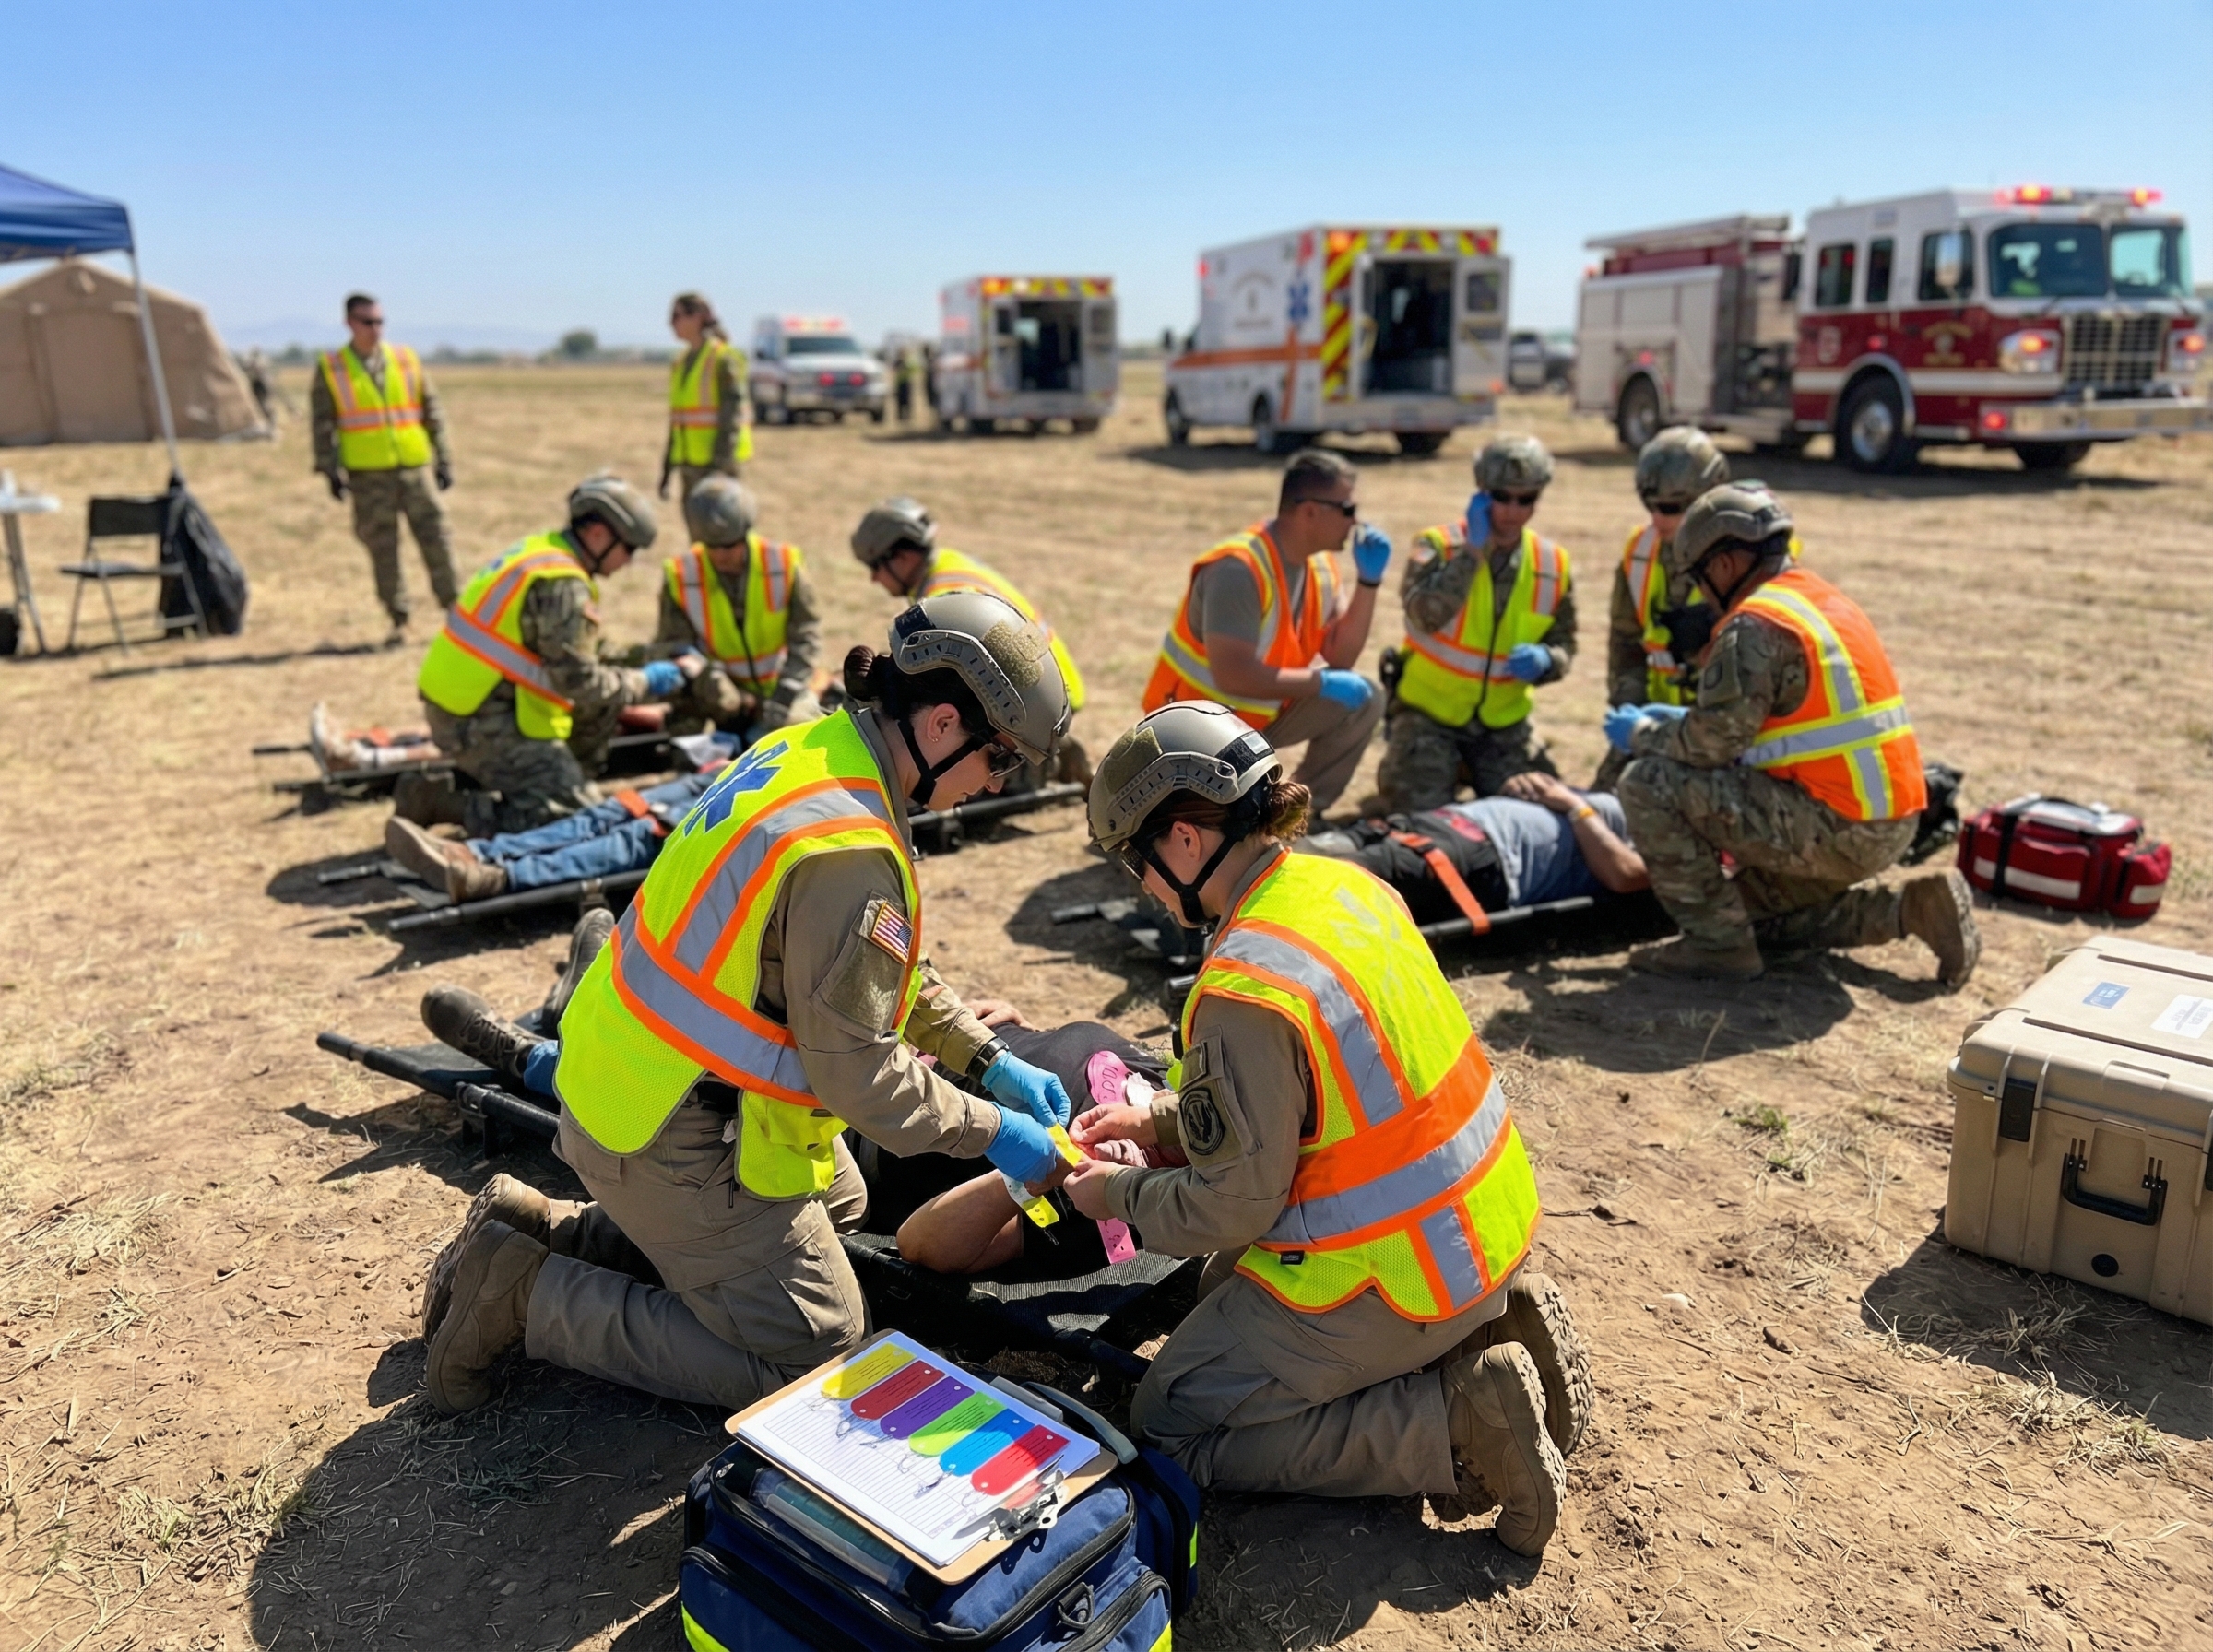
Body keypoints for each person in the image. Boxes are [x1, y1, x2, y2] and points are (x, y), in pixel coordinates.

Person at [415, 592, 1085, 1419]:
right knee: (818, 1352)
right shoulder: (850, 850)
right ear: (944, 725)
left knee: (840, 1200)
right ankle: (529, 1296)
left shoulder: (816, 752)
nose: (996, 783)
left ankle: (560, 1229)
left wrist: (986, 1058)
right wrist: (996, 1132)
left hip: (622, 1086)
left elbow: (879, 974)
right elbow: (860, 1076)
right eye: (1002, 759)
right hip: (668, 1128)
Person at [1066, 702, 1589, 1558]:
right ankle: (1492, 1321)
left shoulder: (1241, 987)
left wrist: (1115, 1191)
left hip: (1391, 1270)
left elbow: (1233, 1203)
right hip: (1477, 1231)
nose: (1145, 887)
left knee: (1170, 1418)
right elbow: (1327, 1105)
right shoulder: (1343, 887)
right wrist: (1160, 1119)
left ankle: (1457, 1425)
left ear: (1185, 840)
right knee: (1216, 1294)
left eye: (1138, 861)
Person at [1610, 483, 1979, 984]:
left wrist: (1645, 733)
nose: (1702, 595)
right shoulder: (1824, 600)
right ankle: (1910, 909)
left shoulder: (1754, 626)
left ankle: (1717, 949)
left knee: (1645, 783)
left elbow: (1710, 745)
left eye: (1699, 579)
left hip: (1835, 825)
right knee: (1748, 914)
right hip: (1892, 821)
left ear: (1721, 567)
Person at [398, 472, 700, 838]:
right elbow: (582, 683)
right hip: (479, 721)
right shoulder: (563, 584)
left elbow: (571, 650)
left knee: (579, 794)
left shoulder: (543, 552)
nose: (630, 561)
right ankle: (446, 805)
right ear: (599, 535)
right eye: (629, 549)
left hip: (469, 704)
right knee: (576, 825)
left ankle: (551, 778)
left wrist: (640, 657)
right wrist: (649, 681)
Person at [1142, 449, 1388, 811]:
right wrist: (1320, 683)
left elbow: (1340, 656)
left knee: (1366, 698)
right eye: (1348, 510)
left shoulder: (1320, 565)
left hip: (1259, 717)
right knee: (1213, 832)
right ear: (1310, 512)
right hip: (1194, 731)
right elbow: (1234, 676)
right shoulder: (1238, 570)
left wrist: (1369, 582)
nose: (1356, 522)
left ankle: (1298, 815)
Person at [1377, 435, 1575, 809]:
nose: (1513, 511)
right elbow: (1423, 616)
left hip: (1503, 730)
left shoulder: (1552, 564)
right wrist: (1471, 554)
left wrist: (1549, 661)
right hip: (1429, 720)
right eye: (1502, 497)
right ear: (1481, 493)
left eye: (1526, 499)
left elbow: (1566, 644)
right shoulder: (1437, 546)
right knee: (1423, 823)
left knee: (1540, 816)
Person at [850, 496, 1091, 784]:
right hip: (1047, 692)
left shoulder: (946, 596)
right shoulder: (949, 564)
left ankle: (1041, 762)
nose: (874, 579)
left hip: (1037, 705)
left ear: (902, 558)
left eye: (875, 566)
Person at [1303, 771, 1649, 921]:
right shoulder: (1642, 799)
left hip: (1485, 858)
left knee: (1326, 877)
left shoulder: (1671, 839)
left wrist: (1576, 807)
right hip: (1439, 822)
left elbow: (1627, 875)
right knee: (1300, 851)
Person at [311, 293, 457, 646]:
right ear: (349, 323)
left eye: (379, 322)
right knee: (383, 548)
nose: (375, 329)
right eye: (367, 322)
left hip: (413, 466)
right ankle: (399, 619)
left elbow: (431, 409)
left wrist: (444, 457)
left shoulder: (405, 360)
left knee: (436, 537)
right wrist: (329, 470)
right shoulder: (333, 368)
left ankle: (456, 612)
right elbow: (321, 424)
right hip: (368, 474)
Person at [1592, 428, 1732, 791]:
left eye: (1671, 507)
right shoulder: (1640, 552)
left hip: (1726, 737)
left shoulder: (1748, 562)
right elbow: (1626, 644)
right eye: (1650, 505)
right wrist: (1631, 710)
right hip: (1654, 723)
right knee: (1601, 809)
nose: (1658, 519)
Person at [653, 476, 823, 738]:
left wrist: (788, 688)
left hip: (782, 687)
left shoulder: (783, 564)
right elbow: (674, 645)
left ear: (745, 533)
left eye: (730, 545)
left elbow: (807, 632)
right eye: (712, 546)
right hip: (720, 692)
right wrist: (715, 684)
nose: (721, 555)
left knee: (798, 734)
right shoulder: (681, 576)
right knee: (684, 728)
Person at [385, 770, 718, 903]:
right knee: (615, 810)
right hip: (747, 762)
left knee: (649, 832)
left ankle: (497, 878)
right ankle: (476, 852)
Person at [659, 292, 752, 502]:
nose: (671, 323)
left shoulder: (722, 359)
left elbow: (732, 416)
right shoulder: (680, 363)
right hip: (690, 465)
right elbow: (677, 421)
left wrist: (720, 466)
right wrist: (667, 469)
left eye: (677, 316)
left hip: (717, 467)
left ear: (699, 317)